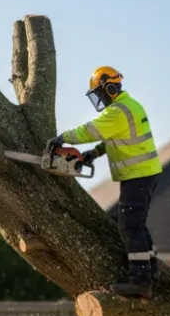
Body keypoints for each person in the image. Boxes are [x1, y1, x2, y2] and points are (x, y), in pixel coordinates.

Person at [46, 66, 162, 298]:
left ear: (109, 87)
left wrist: (62, 138)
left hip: (137, 174)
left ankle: (141, 281)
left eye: (100, 93)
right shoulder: (129, 106)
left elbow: (92, 130)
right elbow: (113, 138)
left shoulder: (118, 111)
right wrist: (92, 154)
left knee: (130, 226)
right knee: (136, 223)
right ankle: (152, 271)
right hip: (144, 173)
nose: (99, 98)